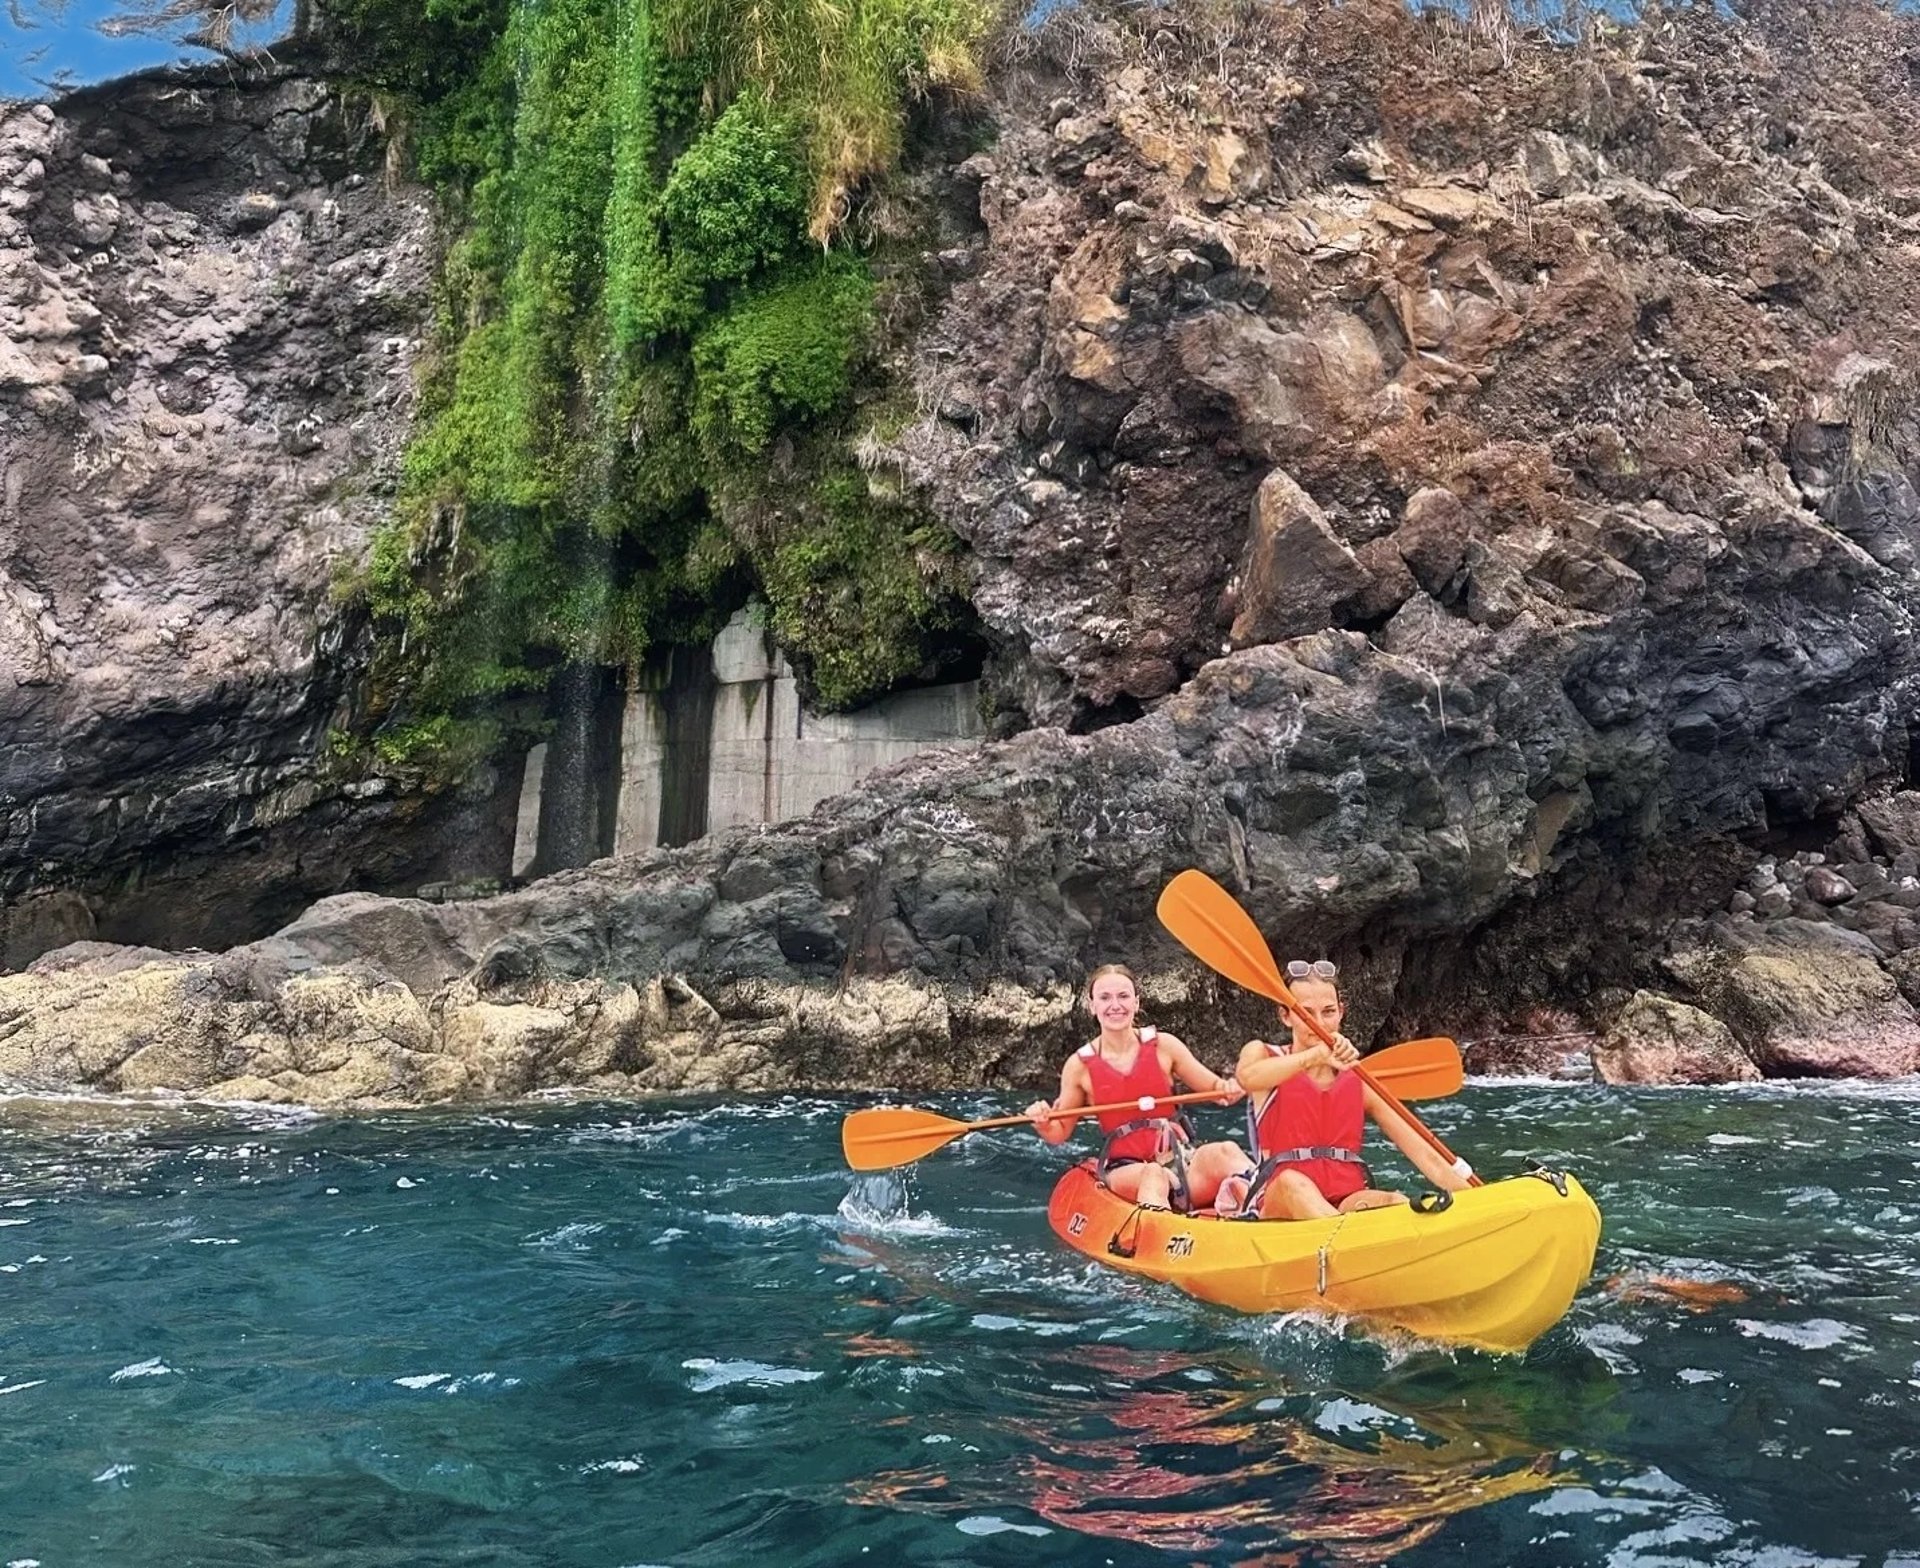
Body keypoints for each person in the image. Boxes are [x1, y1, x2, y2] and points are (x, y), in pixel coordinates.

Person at [1218, 960, 1472, 1220]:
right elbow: (1247, 1077)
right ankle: (1345, 1239)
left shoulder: (1360, 1080)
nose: (1319, 1023)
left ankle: (1359, 1240)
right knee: (1293, 1183)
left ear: (1341, 1012)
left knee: (1394, 1201)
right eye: (1306, 1013)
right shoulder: (1262, 1054)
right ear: (1285, 1016)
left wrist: (1482, 1202)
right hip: (1278, 1201)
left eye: (1328, 1012)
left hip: (1344, 1201)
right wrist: (1315, 1056)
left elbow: (1424, 1153)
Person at [1026, 963, 1253, 1213]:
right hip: (1127, 1171)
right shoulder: (1079, 1066)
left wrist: (1234, 1086)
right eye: (1105, 997)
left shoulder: (1165, 1046)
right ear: (1092, 1006)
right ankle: (1160, 1230)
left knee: (1225, 1150)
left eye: (1123, 996)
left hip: (1181, 1162)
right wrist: (1043, 1122)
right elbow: (1059, 1133)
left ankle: (1266, 1208)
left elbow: (1218, 1091)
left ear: (1136, 1002)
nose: (1115, 1005)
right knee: (1153, 1174)